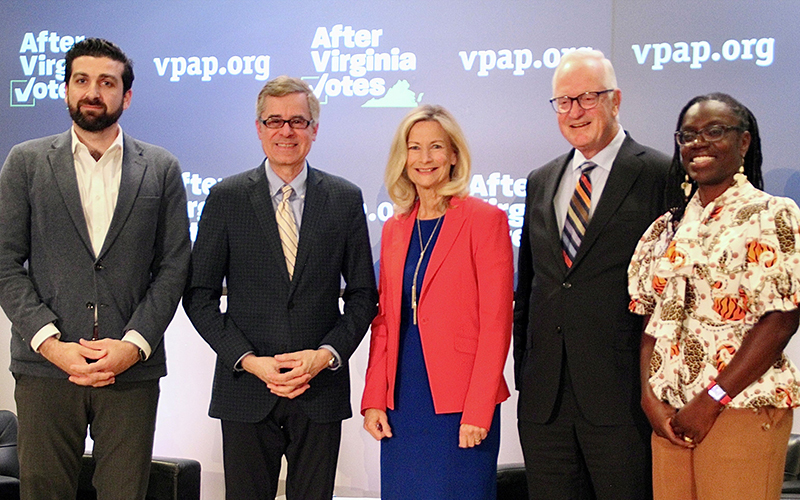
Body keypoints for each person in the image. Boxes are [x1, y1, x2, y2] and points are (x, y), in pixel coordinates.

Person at [0, 38, 190, 500]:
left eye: (107, 82)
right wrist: (50, 344)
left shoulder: (161, 168)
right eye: (81, 80)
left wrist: (133, 345)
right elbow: (6, 263)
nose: (93, 91)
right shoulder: (25, 162)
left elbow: (173, 266)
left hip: (131, 371)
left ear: (125, 96)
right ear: (66, 90)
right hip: (46, 369)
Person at [183, 75, 377, 500]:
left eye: (297, 121)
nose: (285, 131)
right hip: (246, 389)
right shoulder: (226, 197)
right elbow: (199, 296)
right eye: (274, 121)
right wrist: (249, 361)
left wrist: (324, 356)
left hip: (318, 390)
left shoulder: (344, 198)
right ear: (259, 128)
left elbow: (363, 296)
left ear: (314, 129)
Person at [513, 48, 671, 499]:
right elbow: (531, 286)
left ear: (615, 100)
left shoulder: (658, 173)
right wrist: (527, 376)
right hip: (546, 403)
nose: (575, 111)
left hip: (622, 398)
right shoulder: (540, 180)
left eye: (588, 98)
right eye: (564, 101)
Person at [628, 93, 800, 500]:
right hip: (670, 418)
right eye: (687, 136)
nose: (698, 143)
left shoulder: (773, 214)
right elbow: (651, 323)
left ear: (744, 143)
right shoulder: (664, 229)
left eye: (714, 131)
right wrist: (649, 399)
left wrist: (711, 400)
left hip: (740, 407)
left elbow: (781, 320)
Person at [361, 105, 514, 499]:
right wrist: (374, 399)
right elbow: (384, 323)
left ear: (453, 156)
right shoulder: (395, 228)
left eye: (435, 147)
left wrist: (479, 409)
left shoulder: (485, 220)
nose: (424, 158)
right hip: (403, 402)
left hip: (459, 404)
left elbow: (497, 324)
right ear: (403, 157)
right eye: (414, 148)